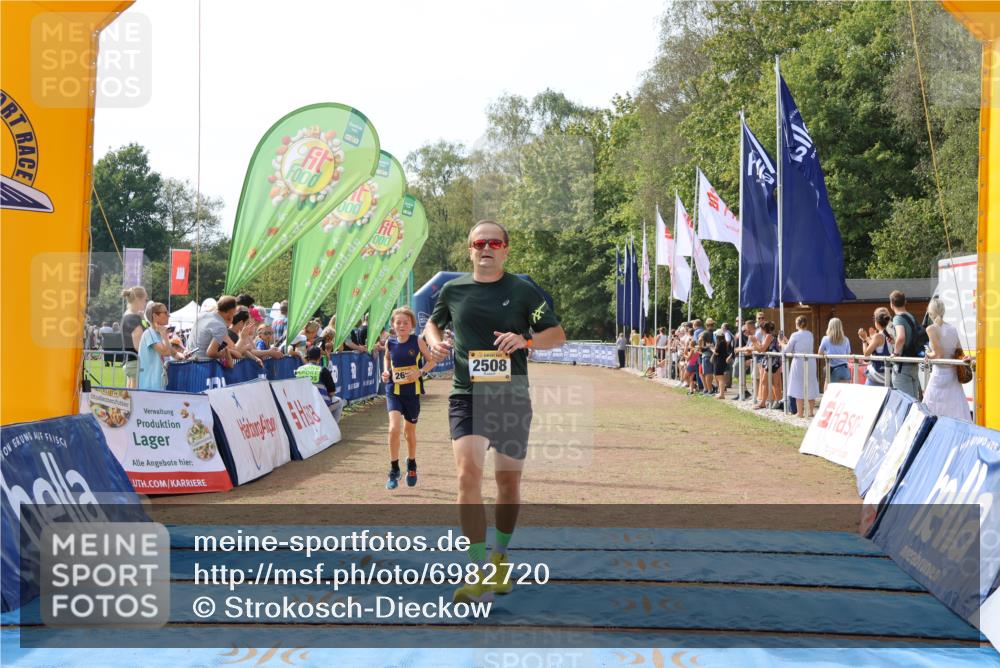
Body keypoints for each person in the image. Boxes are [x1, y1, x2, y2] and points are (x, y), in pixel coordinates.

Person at [424, 219, 565, 604]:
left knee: (507, 484)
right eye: (478, 243)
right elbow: (432, 327)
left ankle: (500, 559)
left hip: (510, 396)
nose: (486, 248)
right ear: (469, 250)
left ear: (505, 249)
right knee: (467, 475)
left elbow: (558, 335)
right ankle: (475, 569)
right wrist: (436, 344)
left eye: (493, 242)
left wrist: (525, 339)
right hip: (466, 394)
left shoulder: (522, 290)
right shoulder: (453, 290)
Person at [379, 307, 438, 490]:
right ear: (393, 325)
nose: (402, 325)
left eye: (406, 322)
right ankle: (394, 468)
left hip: (412, 393)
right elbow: (387, 358)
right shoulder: (390, 342)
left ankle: (411, 464)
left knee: (409, 433)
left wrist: (419, 372)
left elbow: (432, 361)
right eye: (398, 322)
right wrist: (386, 371)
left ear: (412, 325)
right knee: (393, 429)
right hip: (393, 390)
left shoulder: (417, 341)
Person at [922, 298, 971, 422]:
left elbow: (938, 354)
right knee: (955, 409)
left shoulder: (931, 329)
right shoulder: (952, 329)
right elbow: (959, 351)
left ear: (930, 312)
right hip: (952, 374)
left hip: (939, 375)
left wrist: (928, 353)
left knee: (932, 408)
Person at [783, 315, 819, 417]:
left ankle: (800, 412)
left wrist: (782, 343)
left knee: (798, 384)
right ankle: (811, 411)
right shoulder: (810, 334)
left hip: (799, 361)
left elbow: (787, 350)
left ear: (797, 324)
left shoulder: (795, 335)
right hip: (810, 361)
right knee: (810, 383)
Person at [295, 346, 343, 422]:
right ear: (320, 357)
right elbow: (332, 393)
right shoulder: (323, 370)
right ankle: (332, 428)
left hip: (302, 405)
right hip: (320, 406)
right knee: (339, 401)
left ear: (307, 356)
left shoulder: (299, 369)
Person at [888, 290, 922, 399]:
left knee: (905, 403)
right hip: (913, 364)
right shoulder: (911, 317)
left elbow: (901, 337)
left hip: (902, 367)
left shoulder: (897, 318)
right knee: (915, 402)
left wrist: (895, 353)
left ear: (891, 304)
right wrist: (895, 342)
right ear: (905, 302)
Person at [138, 302, 172, 390]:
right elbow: (166, 352)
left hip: (158, 383)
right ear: (155, 316)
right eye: (165, 312)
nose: (168, 315)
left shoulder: (158, 333)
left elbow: (170, 351)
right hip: (150, 384)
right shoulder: (149, 333)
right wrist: (164, 335)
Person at [193, 295, 237, 362]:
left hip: (189, 362)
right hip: (203, 365)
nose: (235, 314)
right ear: (231, 311)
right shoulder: (220, 326)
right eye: (234, 311)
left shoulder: (202, 316)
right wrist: (223, 354)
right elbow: (211, 353)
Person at [121, 286, 149, 388]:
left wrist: (142, 317)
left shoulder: (130, 316)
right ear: (138, 299)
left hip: (131, 362)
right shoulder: (133, 318)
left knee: (129, 396)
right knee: (134, 396)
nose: (146, 302)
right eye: (145, 299)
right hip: (135, 362)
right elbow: (139, 346)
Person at [859, 308, 892, 386]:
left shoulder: (878, 336)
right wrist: (868, 338)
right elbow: (878, 346)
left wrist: (864, 340)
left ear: (876, 322)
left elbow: (866, 354)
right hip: (889, 377)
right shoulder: (891, 333)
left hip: (876, 377)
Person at [752, 321, 782, 409]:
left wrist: (754, 342)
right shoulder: (767, 336)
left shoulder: (768, 336)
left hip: (772, 360)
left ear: (763, 329)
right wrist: (756, 342)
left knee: (771, 382)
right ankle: (770, 401)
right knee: (768, 382)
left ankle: (775, 401)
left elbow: (762, 349)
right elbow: (761, 348)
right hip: (769, 360)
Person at [818, 317, 851, 386]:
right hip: (844, 369)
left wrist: (826, 353)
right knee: (843, 393)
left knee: (829, 392)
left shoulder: (825, 339)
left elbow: (820, 353)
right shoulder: (846, 339)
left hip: (832, 369)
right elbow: (848, 354)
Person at [712, 323, 732, 400]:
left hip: (720, 362)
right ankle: (721, 393)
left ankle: (722, 394)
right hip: (721, 361)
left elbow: (716, 352)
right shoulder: (722, 342)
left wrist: (711, 348)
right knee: (720, 377)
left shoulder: (721, 343)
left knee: (720, 378)